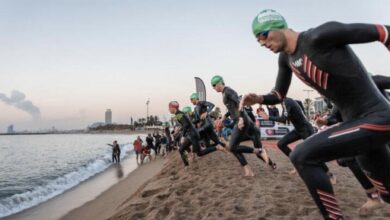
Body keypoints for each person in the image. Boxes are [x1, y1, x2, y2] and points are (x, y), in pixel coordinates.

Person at [241, 9, 390, 219]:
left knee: (302, 155)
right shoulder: (286, 59)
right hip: (357, 125)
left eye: (263, 36)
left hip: (378, 117)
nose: (262, 43)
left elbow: (384, 32)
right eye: (258, 41)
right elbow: (279, 94)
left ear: (278, 26)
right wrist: (258, 99)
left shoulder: (320, 36)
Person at [315, 74, 390, 215]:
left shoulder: (366, 80)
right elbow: (334, 117)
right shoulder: (340, 95)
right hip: (367, 134)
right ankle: (373, 196)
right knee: (346, 158)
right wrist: (324, 122)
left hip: (384, 129)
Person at [259, 97, 336, 184]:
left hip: (306, 130)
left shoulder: (286, 101)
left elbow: (283, 119)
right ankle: (297, 163)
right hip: (298, 130)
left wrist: (268, 117)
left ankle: (329, 174)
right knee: (281, 144)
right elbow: (286, 118)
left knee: (312, 153)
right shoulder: (285, 103)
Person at [211, 75, 276, 176]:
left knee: (232, 146)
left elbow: (238, 102)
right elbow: (232, 108)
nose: (213, 87)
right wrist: (224, 117)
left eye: (214, 85)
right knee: (235, 147)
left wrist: (241, 118)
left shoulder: (228, 91)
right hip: (247, 123)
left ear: (220, 83)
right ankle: (268, 165)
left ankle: (257, 154)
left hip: (242, 120)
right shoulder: (224, 93)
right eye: (212, 86)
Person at [168, 101, 226, 167]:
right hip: (192, 134)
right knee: (181, 149)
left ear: (173, 108)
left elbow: (186, 125)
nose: (169, 109)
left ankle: (216, 147)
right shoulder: (179, 114)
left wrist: (183, 136)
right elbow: (187, 124)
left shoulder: (178, 114)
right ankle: (186, 165)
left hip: (193, 135)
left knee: (199, 153)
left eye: (169, 108)